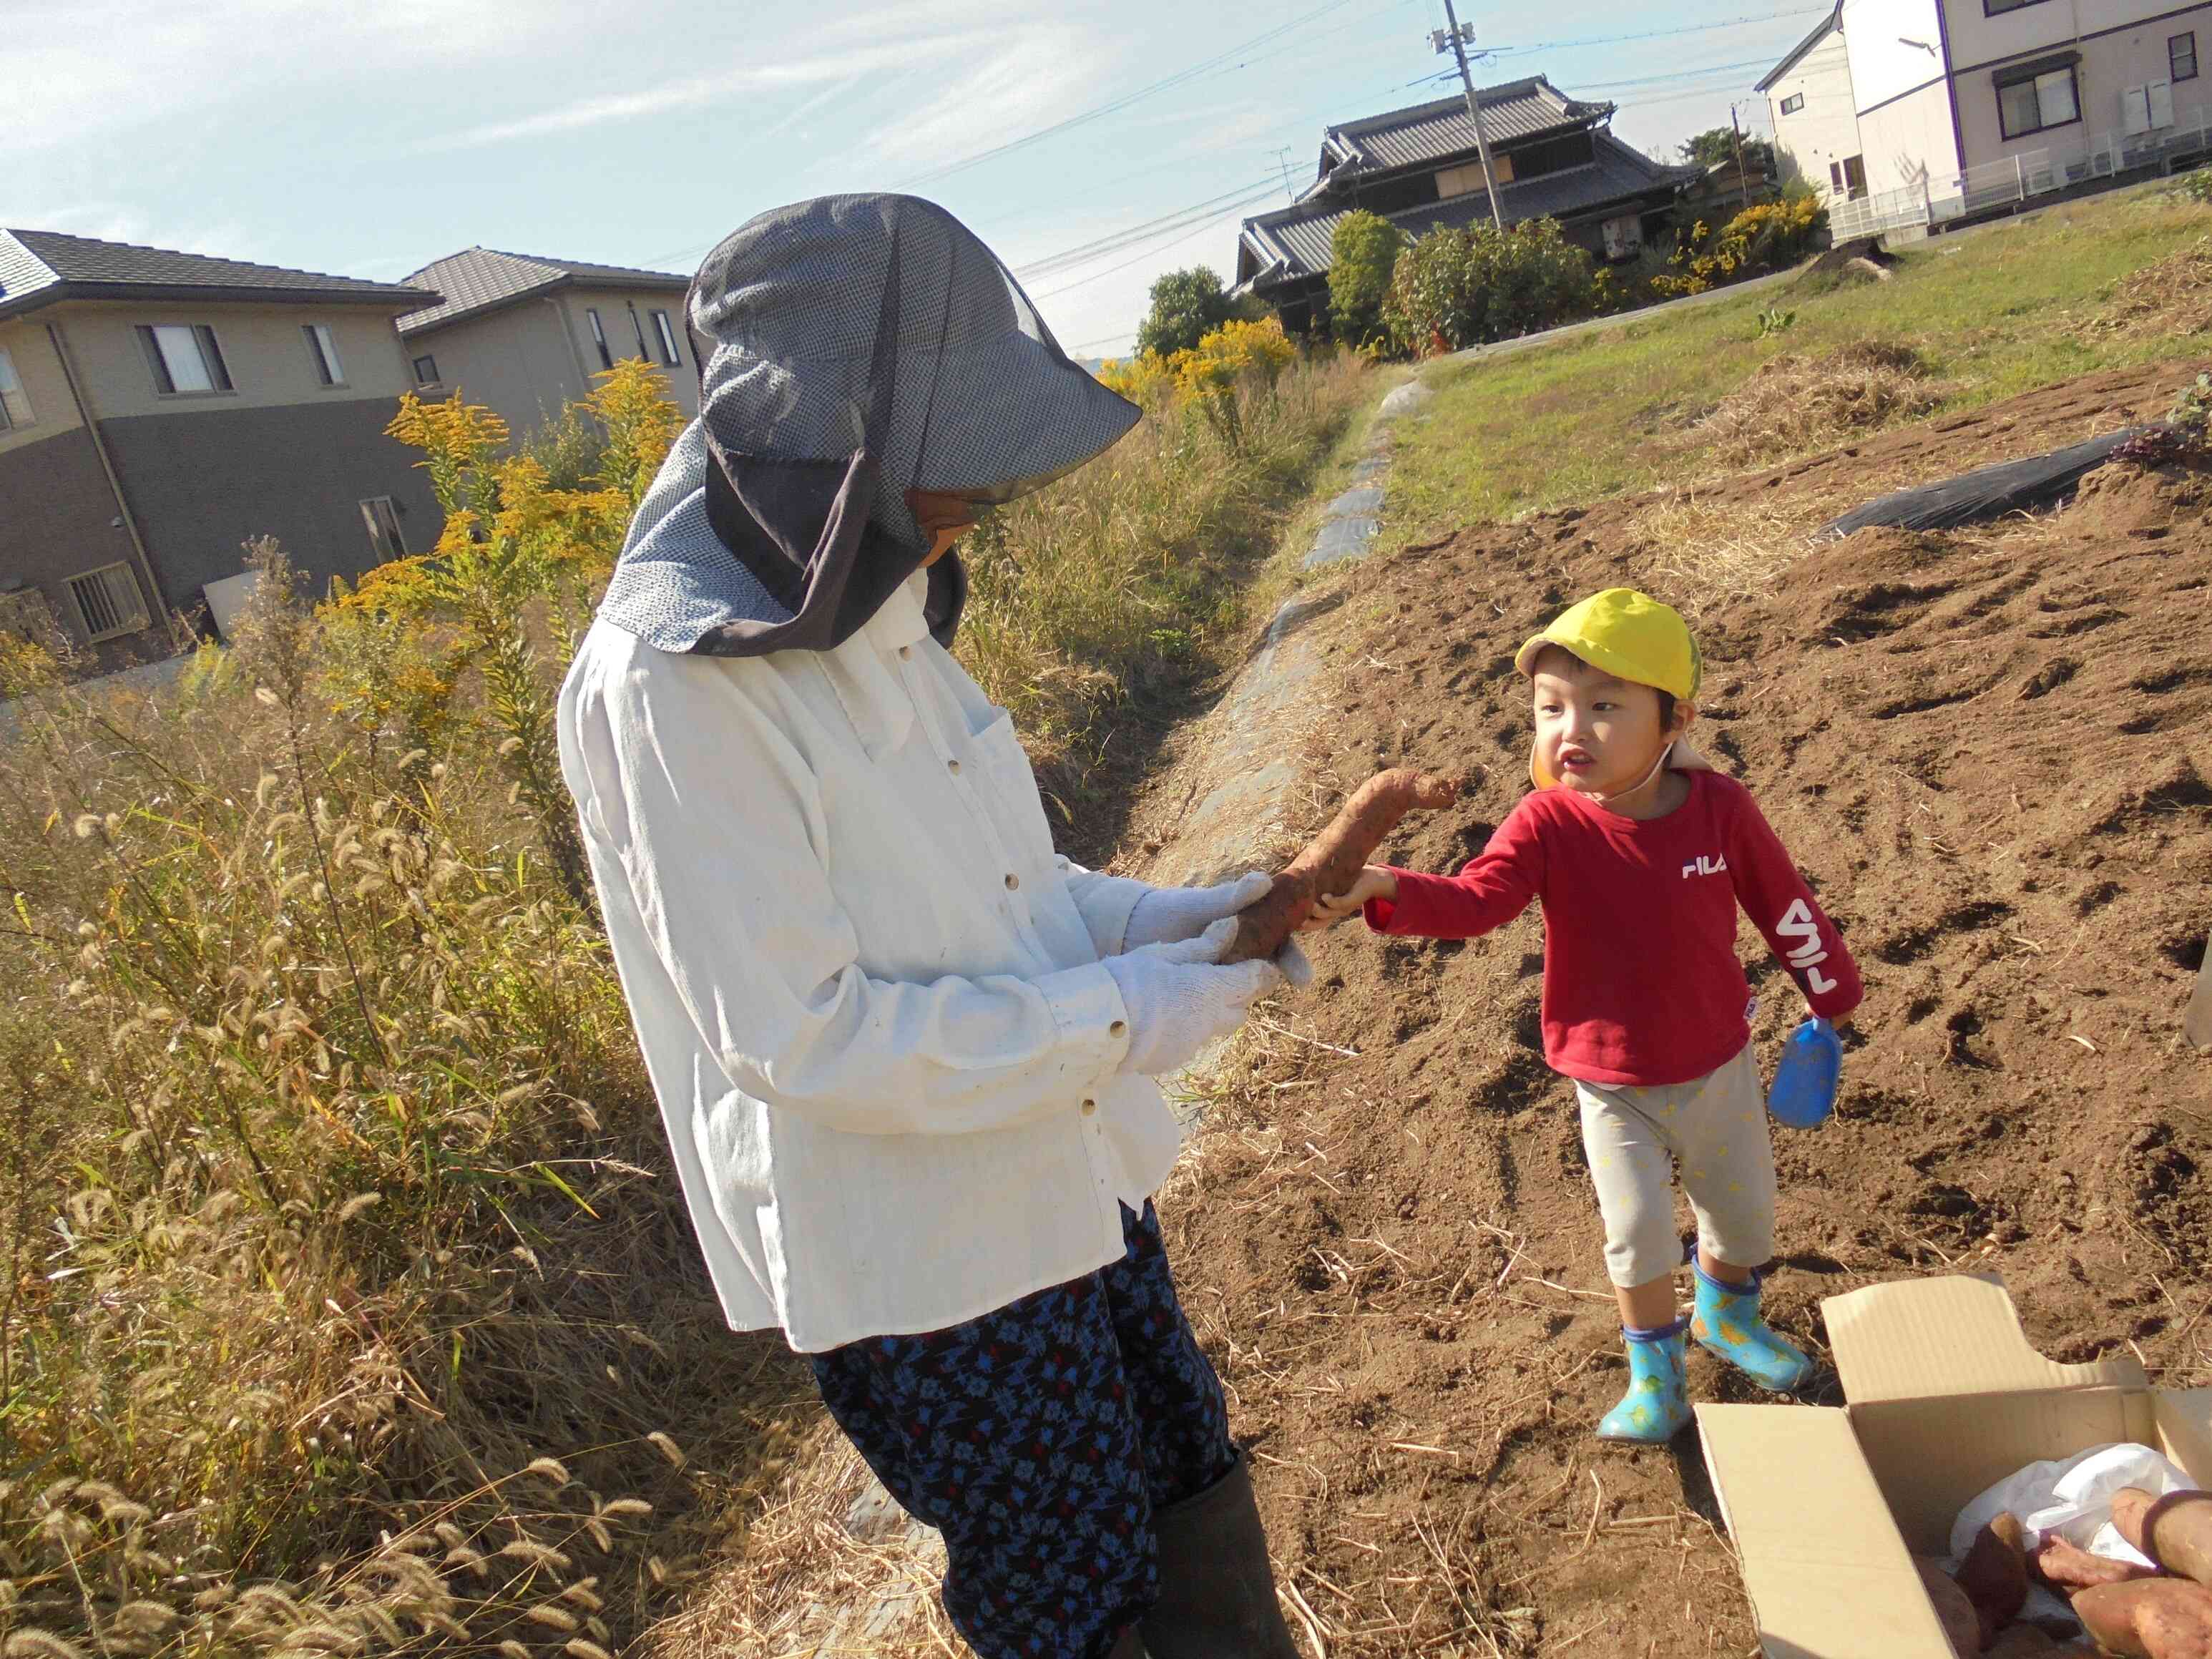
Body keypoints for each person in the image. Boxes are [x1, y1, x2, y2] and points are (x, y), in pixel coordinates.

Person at [555, 195, 1307, 1659]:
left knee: (1188, 1482)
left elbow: (1013, 892)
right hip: (931, 1268)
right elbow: (807, 1036)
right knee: (1069, 1598)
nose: (973, 495)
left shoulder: (867, 594)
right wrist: (1136, 1014)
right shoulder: (673, 689)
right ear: (835, 435)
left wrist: (1196, 917)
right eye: (943, 454)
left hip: (1066, 1174)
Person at [1305, 588, 1862, 1444]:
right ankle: (1656, 1377)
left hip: (1716, 1062)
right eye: (1551, 709)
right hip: (1609, 1081)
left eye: (1604, 707)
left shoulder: (1721, 811)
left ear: (1672, 719)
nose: (1572, 731)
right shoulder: (1546, 823)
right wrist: (1383, 888)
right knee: (1636, 1237)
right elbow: (1477, 901)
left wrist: (1830, 995)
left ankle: (1727, 1321)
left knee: (1743, 1217)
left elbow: (1783, 905)